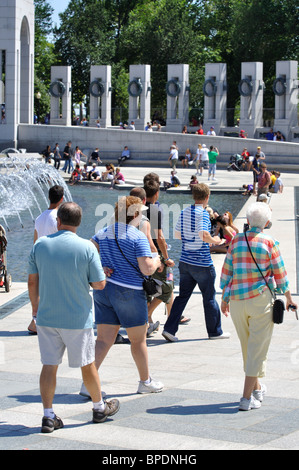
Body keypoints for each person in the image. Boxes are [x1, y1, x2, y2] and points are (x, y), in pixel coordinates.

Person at [27, 202, 120, 431]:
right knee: (87, 365)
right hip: (77, 318)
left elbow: (32, 281)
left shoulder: (40, 245)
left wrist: (35, 310)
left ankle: (48, 416)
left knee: (49, 366)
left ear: (58, 221)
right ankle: (99, 408)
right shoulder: (87, 248)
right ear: (78, 223)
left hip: (47, 317)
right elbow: (99, 284)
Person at [220, 202, 297, 411]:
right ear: (267, 223)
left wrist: (224, 299)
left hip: (236, 300)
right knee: (256, 350)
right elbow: (281, 276)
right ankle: (246, 398)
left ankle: (257, 389)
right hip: (260, 300)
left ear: (247, 221)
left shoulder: (235, 240)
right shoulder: (270, 242)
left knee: (248, 347)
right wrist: (289, 298)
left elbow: (227, 272)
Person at [89, 196, 163, 394]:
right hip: (129, 292)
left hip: (104, 290)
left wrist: (100, 267)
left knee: (103, 340)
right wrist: (156, 261)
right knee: (138, 340)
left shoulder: (103, 232)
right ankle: (145, 381)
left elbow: (89, 250)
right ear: (136, 215)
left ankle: (88, 384)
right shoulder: (137, 236)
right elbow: (147, 269)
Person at [162, 183, 230, 342]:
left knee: (182, 297)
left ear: (194, 196)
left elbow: (177, 235)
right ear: (207, 197)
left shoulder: (185, 211)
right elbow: (204, 234)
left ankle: (169, 329)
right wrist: (216, 241)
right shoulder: (204, 214)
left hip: (185, 261)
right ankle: (215, 332)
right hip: (202, 263)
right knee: (209, 297)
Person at [28, 185, 64, 335]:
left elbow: (35, 240)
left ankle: (35, 321)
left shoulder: (40, 217)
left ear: (49, 197)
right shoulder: (58, 218)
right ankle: (39, 323)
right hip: (53, 258)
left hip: (39, 256)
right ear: (62, 199)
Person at [143, 180, 178, 335]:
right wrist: (165, 257)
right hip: (154, 254)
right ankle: (147, 315)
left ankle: (149, 322)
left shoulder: (133, 208)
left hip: (139, 253)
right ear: (156, 194)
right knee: (166, 286)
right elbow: (159, 237)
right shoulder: (155, 209)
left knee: (147, 288)